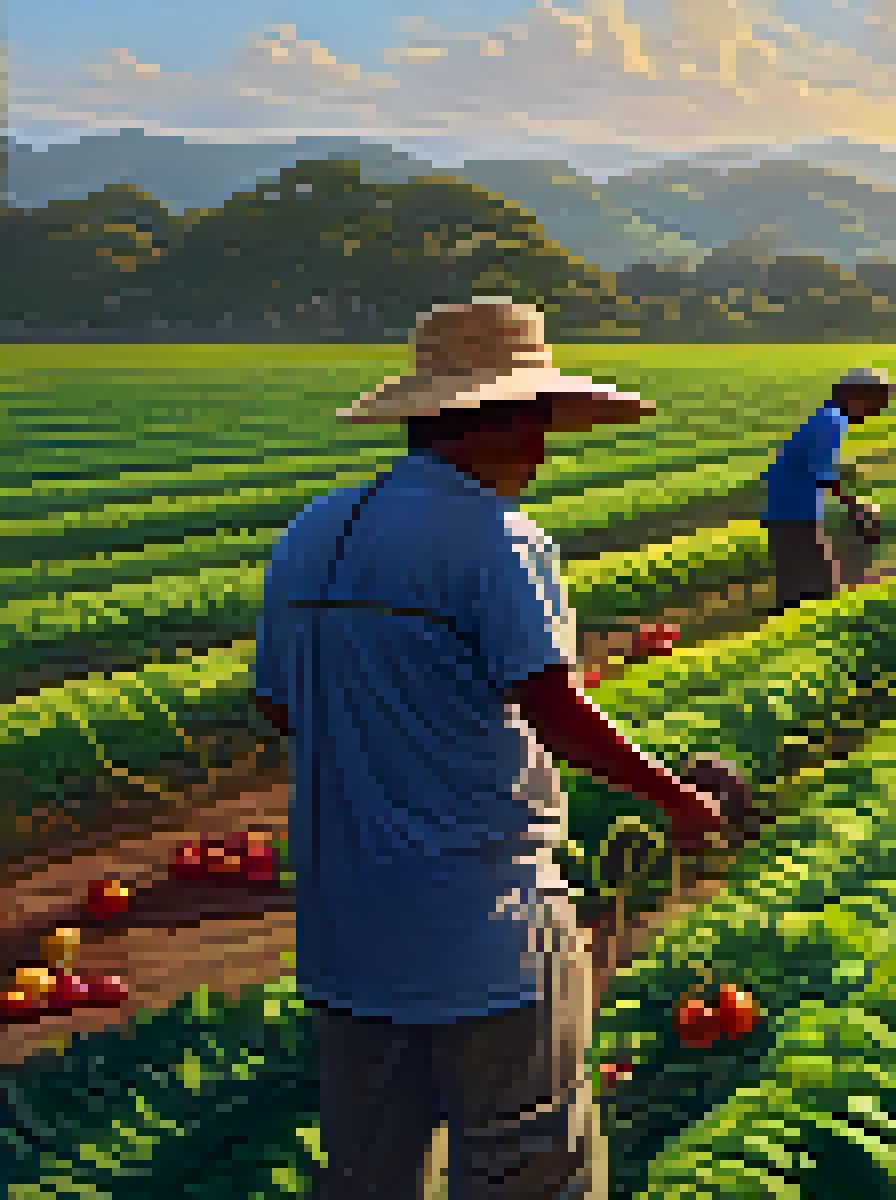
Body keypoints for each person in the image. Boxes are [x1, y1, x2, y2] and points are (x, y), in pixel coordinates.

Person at [252, 297, 742, 1200]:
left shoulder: (311, 531)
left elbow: (282, 706)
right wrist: (673, 795)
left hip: (346, 924)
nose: (545, 449)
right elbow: (551, 704)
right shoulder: (497, 540)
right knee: (525, 1160)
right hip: (485, 925)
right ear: (480, 417)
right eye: (534, 422)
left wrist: (391, 752)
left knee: (367, 1171)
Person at [761, 367, 889, 612]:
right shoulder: (832, 421)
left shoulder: (825, 418)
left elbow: (811, 465)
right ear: (855, 397)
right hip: (794, 516)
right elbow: (822, 473)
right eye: (874, 405)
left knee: (795, 588)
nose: (874, 413)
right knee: (822, 590)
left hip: (785, 512)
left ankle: (783, 633)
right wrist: (856, 507)